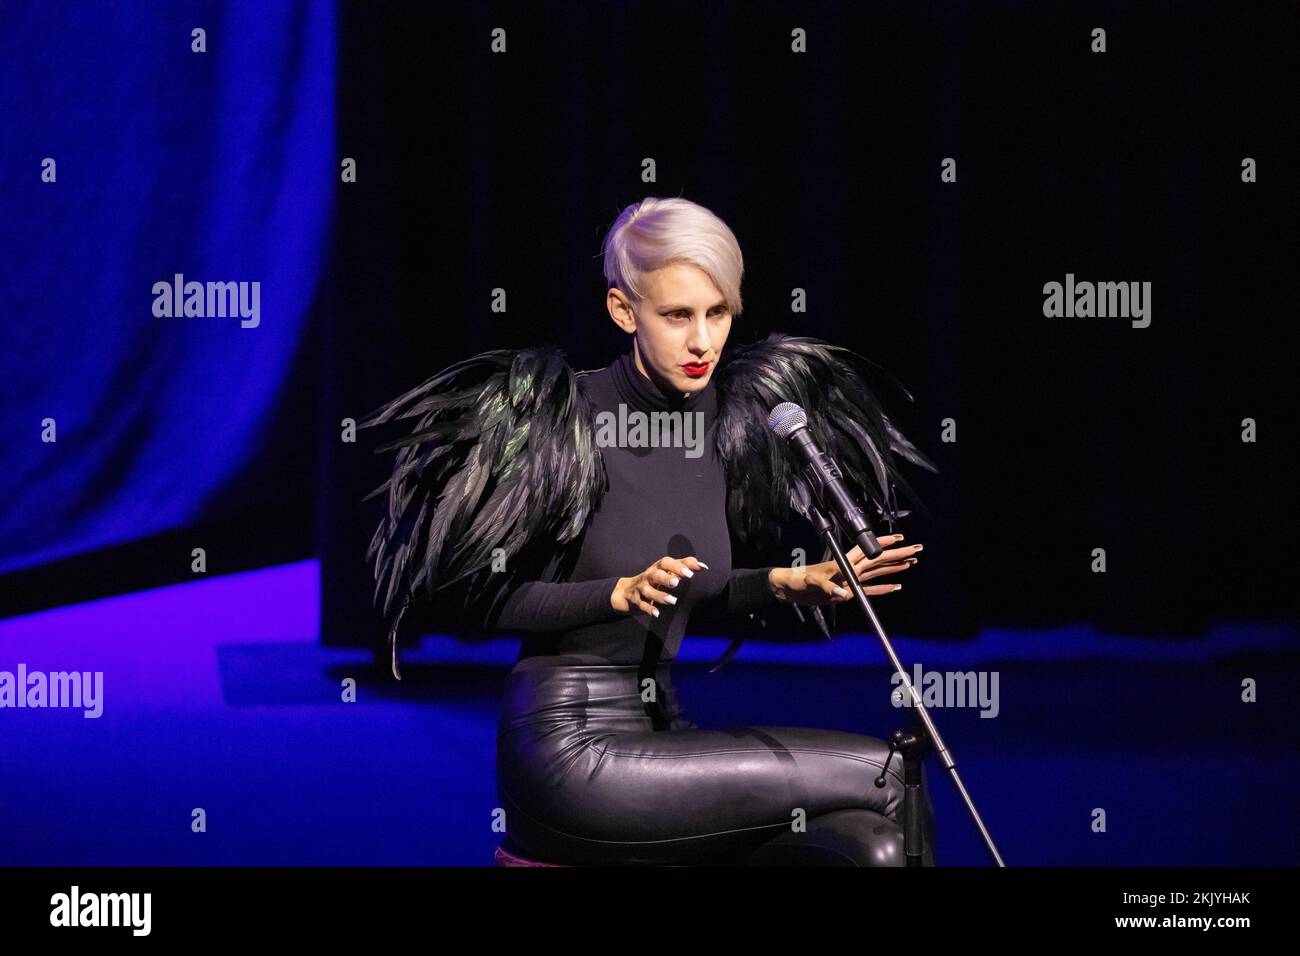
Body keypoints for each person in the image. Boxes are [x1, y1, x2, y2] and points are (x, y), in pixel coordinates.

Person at [362, 196, 938, 865]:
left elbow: (693, 586)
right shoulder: (561, 417)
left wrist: (785, 583)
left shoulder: (726, 419)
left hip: (663, 728)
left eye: (718, 312)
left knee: (875, 846)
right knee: (888, 774)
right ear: (623, 310)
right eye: (677, 316)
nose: (703, 341)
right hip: (568, 747)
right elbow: (478, 596)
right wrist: (614, 594)